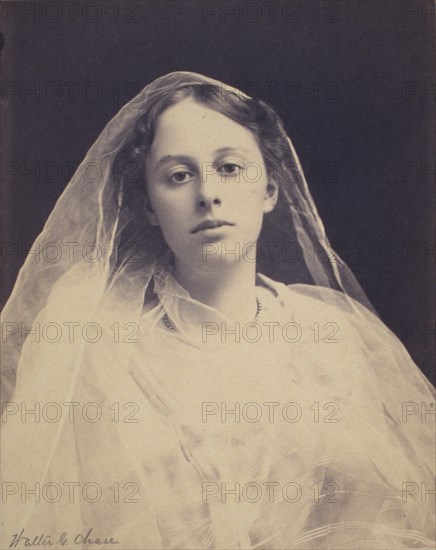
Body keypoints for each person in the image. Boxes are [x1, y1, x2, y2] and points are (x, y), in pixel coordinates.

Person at [1, 72, 434, 549]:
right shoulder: (99, 349)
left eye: (229, 167)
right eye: (178, 176)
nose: (207, 193)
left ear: (269, 189)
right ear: (149, 205)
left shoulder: (334, 338)